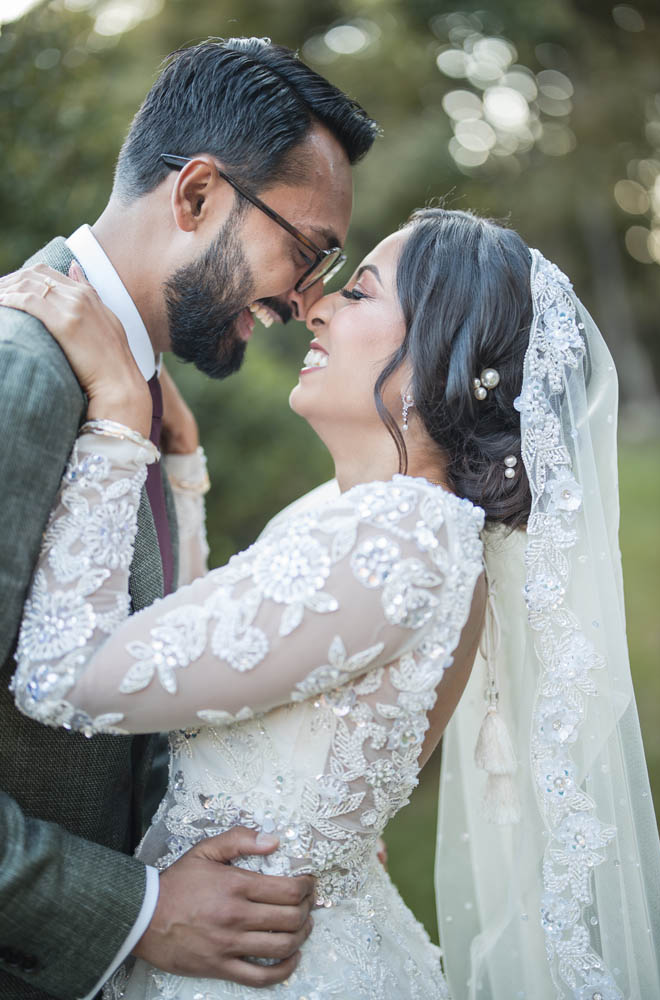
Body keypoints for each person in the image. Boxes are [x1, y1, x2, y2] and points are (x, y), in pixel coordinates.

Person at [2, 207, 660, 999]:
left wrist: (117, 412)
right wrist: (180, 467)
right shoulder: (365, 517)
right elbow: (203, 655)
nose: (312, 307)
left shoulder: (400, 541)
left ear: (436, 355)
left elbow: (62, 677)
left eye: (356, 294)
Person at [0, 36, 378, 999]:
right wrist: (135, 909)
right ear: (198, 194)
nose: (304, 303)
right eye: (307, 253)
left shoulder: (143, 401)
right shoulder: (23, 374)